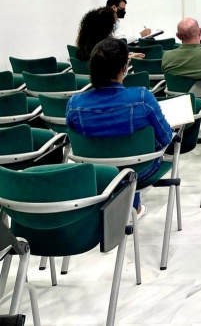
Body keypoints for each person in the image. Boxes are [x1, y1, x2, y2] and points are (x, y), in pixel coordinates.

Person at [66, 38, 174, 220]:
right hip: (140, 170)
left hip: (96, 172)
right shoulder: (142, 97)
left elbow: (75, 137)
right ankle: (133, 208)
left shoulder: (74, 103)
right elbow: (166, 138)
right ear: (125, 67)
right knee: (135, 155)